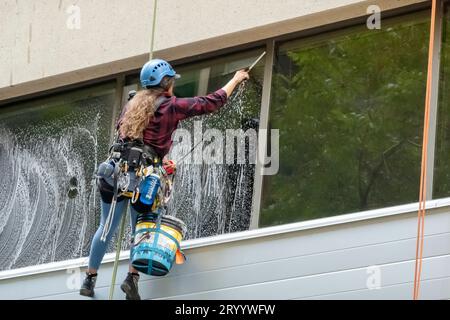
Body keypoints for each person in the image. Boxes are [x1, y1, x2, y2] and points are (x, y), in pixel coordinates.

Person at [79, 59, 250, 300]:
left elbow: (131, 140)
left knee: (105, 229)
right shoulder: (170, 106)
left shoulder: (132, 104)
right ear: (167, 83)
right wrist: (236, 79)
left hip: (116, 172)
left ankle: (89, 279)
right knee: (141, 229)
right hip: (144, 178)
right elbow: (210, 103)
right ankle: (131, 279)